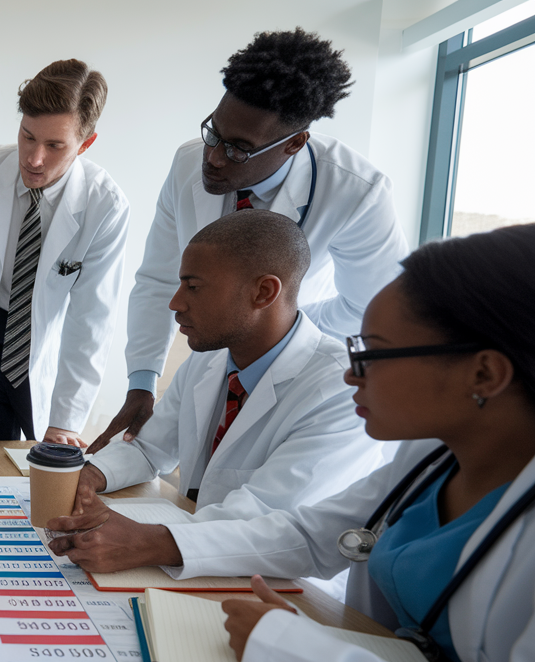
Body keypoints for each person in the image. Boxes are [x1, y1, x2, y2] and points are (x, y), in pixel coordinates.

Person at [165, 227, 535, 662]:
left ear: (485, 373)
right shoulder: (431, 453)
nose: (348, 372)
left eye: (373, 353)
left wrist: (292, 652)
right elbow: (318, 531)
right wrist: (161, 542)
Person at [102, 29, 408, 449]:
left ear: (295, 143)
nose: (213, 157)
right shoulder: (189, 161)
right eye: (215, 132)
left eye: (239, 149)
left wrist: (266, 329)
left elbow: (371, 308)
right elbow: (159, 279)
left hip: (294, 378)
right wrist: (142, 380)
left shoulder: (357, 192)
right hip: (211, 364)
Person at [47, 210, 384, 583]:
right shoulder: (210, 359)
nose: (175, 303)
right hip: (202, 562)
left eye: (193, 287)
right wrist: (92, 475)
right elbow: (149, 447)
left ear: (263, 292)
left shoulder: (340, 390)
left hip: (286, 590)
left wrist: (144, 540)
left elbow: (266, 520)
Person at [0, 59, 129, 445]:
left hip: (37, 347)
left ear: (86, 143)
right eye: (27, 136)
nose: (34, 158)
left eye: (55, 145)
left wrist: (66, 421)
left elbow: (91, 319)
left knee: (29, 464)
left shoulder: (105, 205)